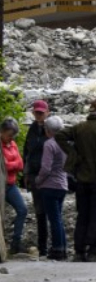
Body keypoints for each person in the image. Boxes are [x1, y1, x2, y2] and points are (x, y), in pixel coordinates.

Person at [57, 98, 96, 262]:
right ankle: (92, 251)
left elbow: (60, 135)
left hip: (81, 178)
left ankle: (79, 252)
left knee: (82, 215)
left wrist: (72, 153)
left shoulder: (79, 127)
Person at [36, 116, 69, 261]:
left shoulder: (49, 144)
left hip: (49, 185)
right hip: (63, 184)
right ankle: (63, 248)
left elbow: (45, 168)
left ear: (48, 131)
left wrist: (38, 180)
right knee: (58, 218)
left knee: (54, 219)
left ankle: (57, 249)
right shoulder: (65, 144)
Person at [23, 100, 49, 256]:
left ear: (47, 112)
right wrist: (26, 174)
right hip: (34, 175)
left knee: (50, 211)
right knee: (39, 211)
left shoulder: (51, 129)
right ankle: (43, 246)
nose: (39, 115)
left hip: (48, 177)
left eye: (41, 112)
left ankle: (56, 245)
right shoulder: (32, 129)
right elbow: (27, 152)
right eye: (36, 112)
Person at [2, 118, 27, 257]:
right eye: (9, 135)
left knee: (22, 210)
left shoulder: (12, 144)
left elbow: (20, 164)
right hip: (1, 185)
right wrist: (13, 164)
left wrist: (9, 164)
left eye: (12, 136)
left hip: (10, 184)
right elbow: (3, 166)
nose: (11, 138)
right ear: (3, 132)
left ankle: (15, 243)